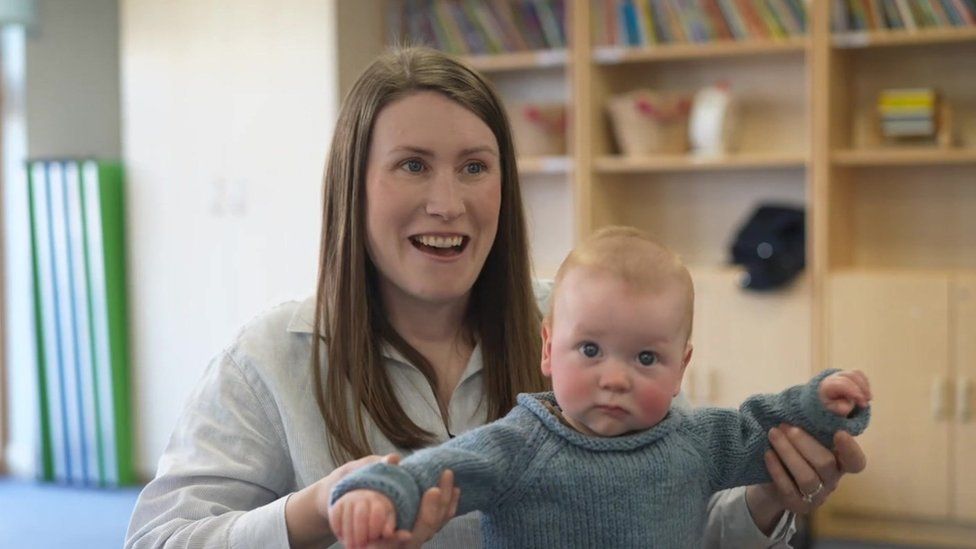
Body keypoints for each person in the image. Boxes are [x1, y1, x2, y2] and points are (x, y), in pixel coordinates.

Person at [125, 46, 868, 549]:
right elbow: (158, 539)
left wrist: (772, 501)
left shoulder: (582, 327)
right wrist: (312, 512)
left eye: (473, 168)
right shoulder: (271, 357)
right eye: (412, 166)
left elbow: (679, 511)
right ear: (353, 187)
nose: (447, 202)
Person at [327, 227, 872, 548]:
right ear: (547, 349)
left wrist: (821, 405)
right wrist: (380, 493)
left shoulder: (699, 440)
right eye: (590, 350)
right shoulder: (517, 445)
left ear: (680, 369)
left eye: (645, 357)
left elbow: (770, 427)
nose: (615, 377)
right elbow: (434, 471)